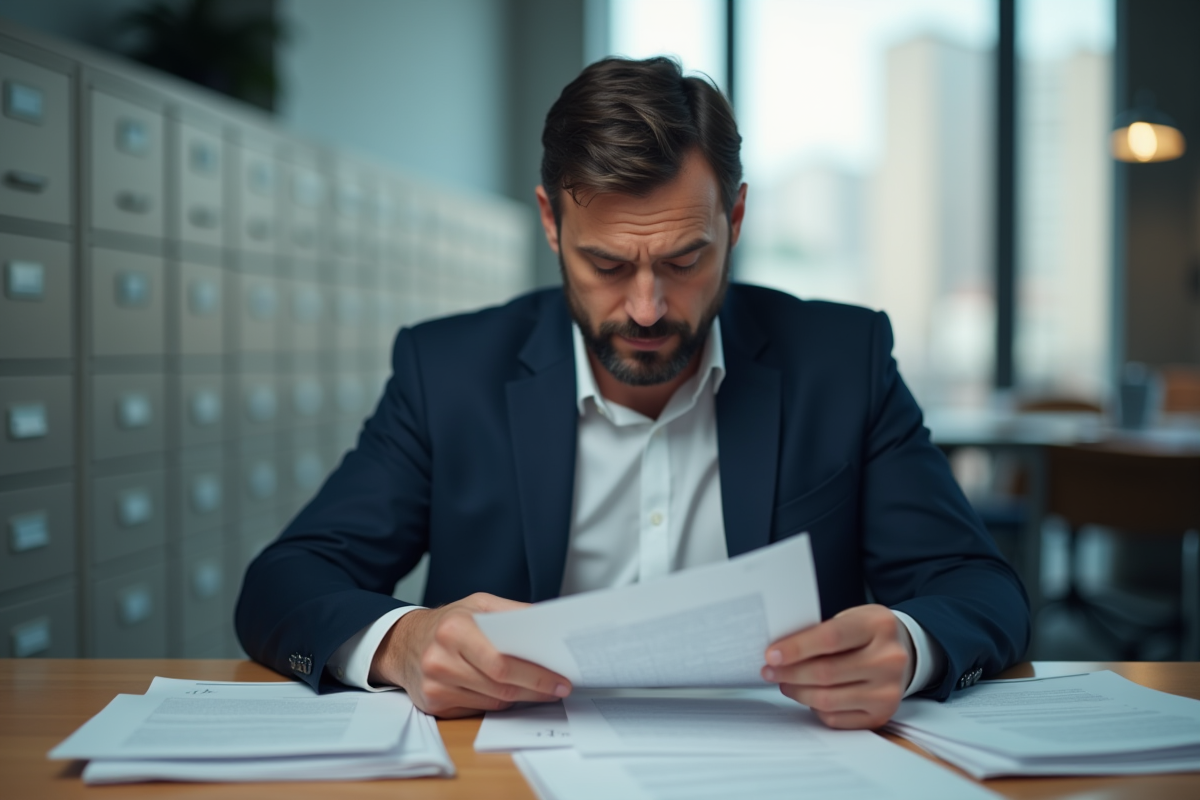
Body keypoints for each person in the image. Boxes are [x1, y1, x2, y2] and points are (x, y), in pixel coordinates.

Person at [236, 56, 1029, 730]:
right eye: (608, 265)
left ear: (737, 217)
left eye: (685, 261)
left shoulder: (840, 361)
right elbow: (283, 585)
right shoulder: (447, 372)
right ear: (551, 223)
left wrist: (912, 646)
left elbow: (981, 588)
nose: (647, 309)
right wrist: (401, 643)